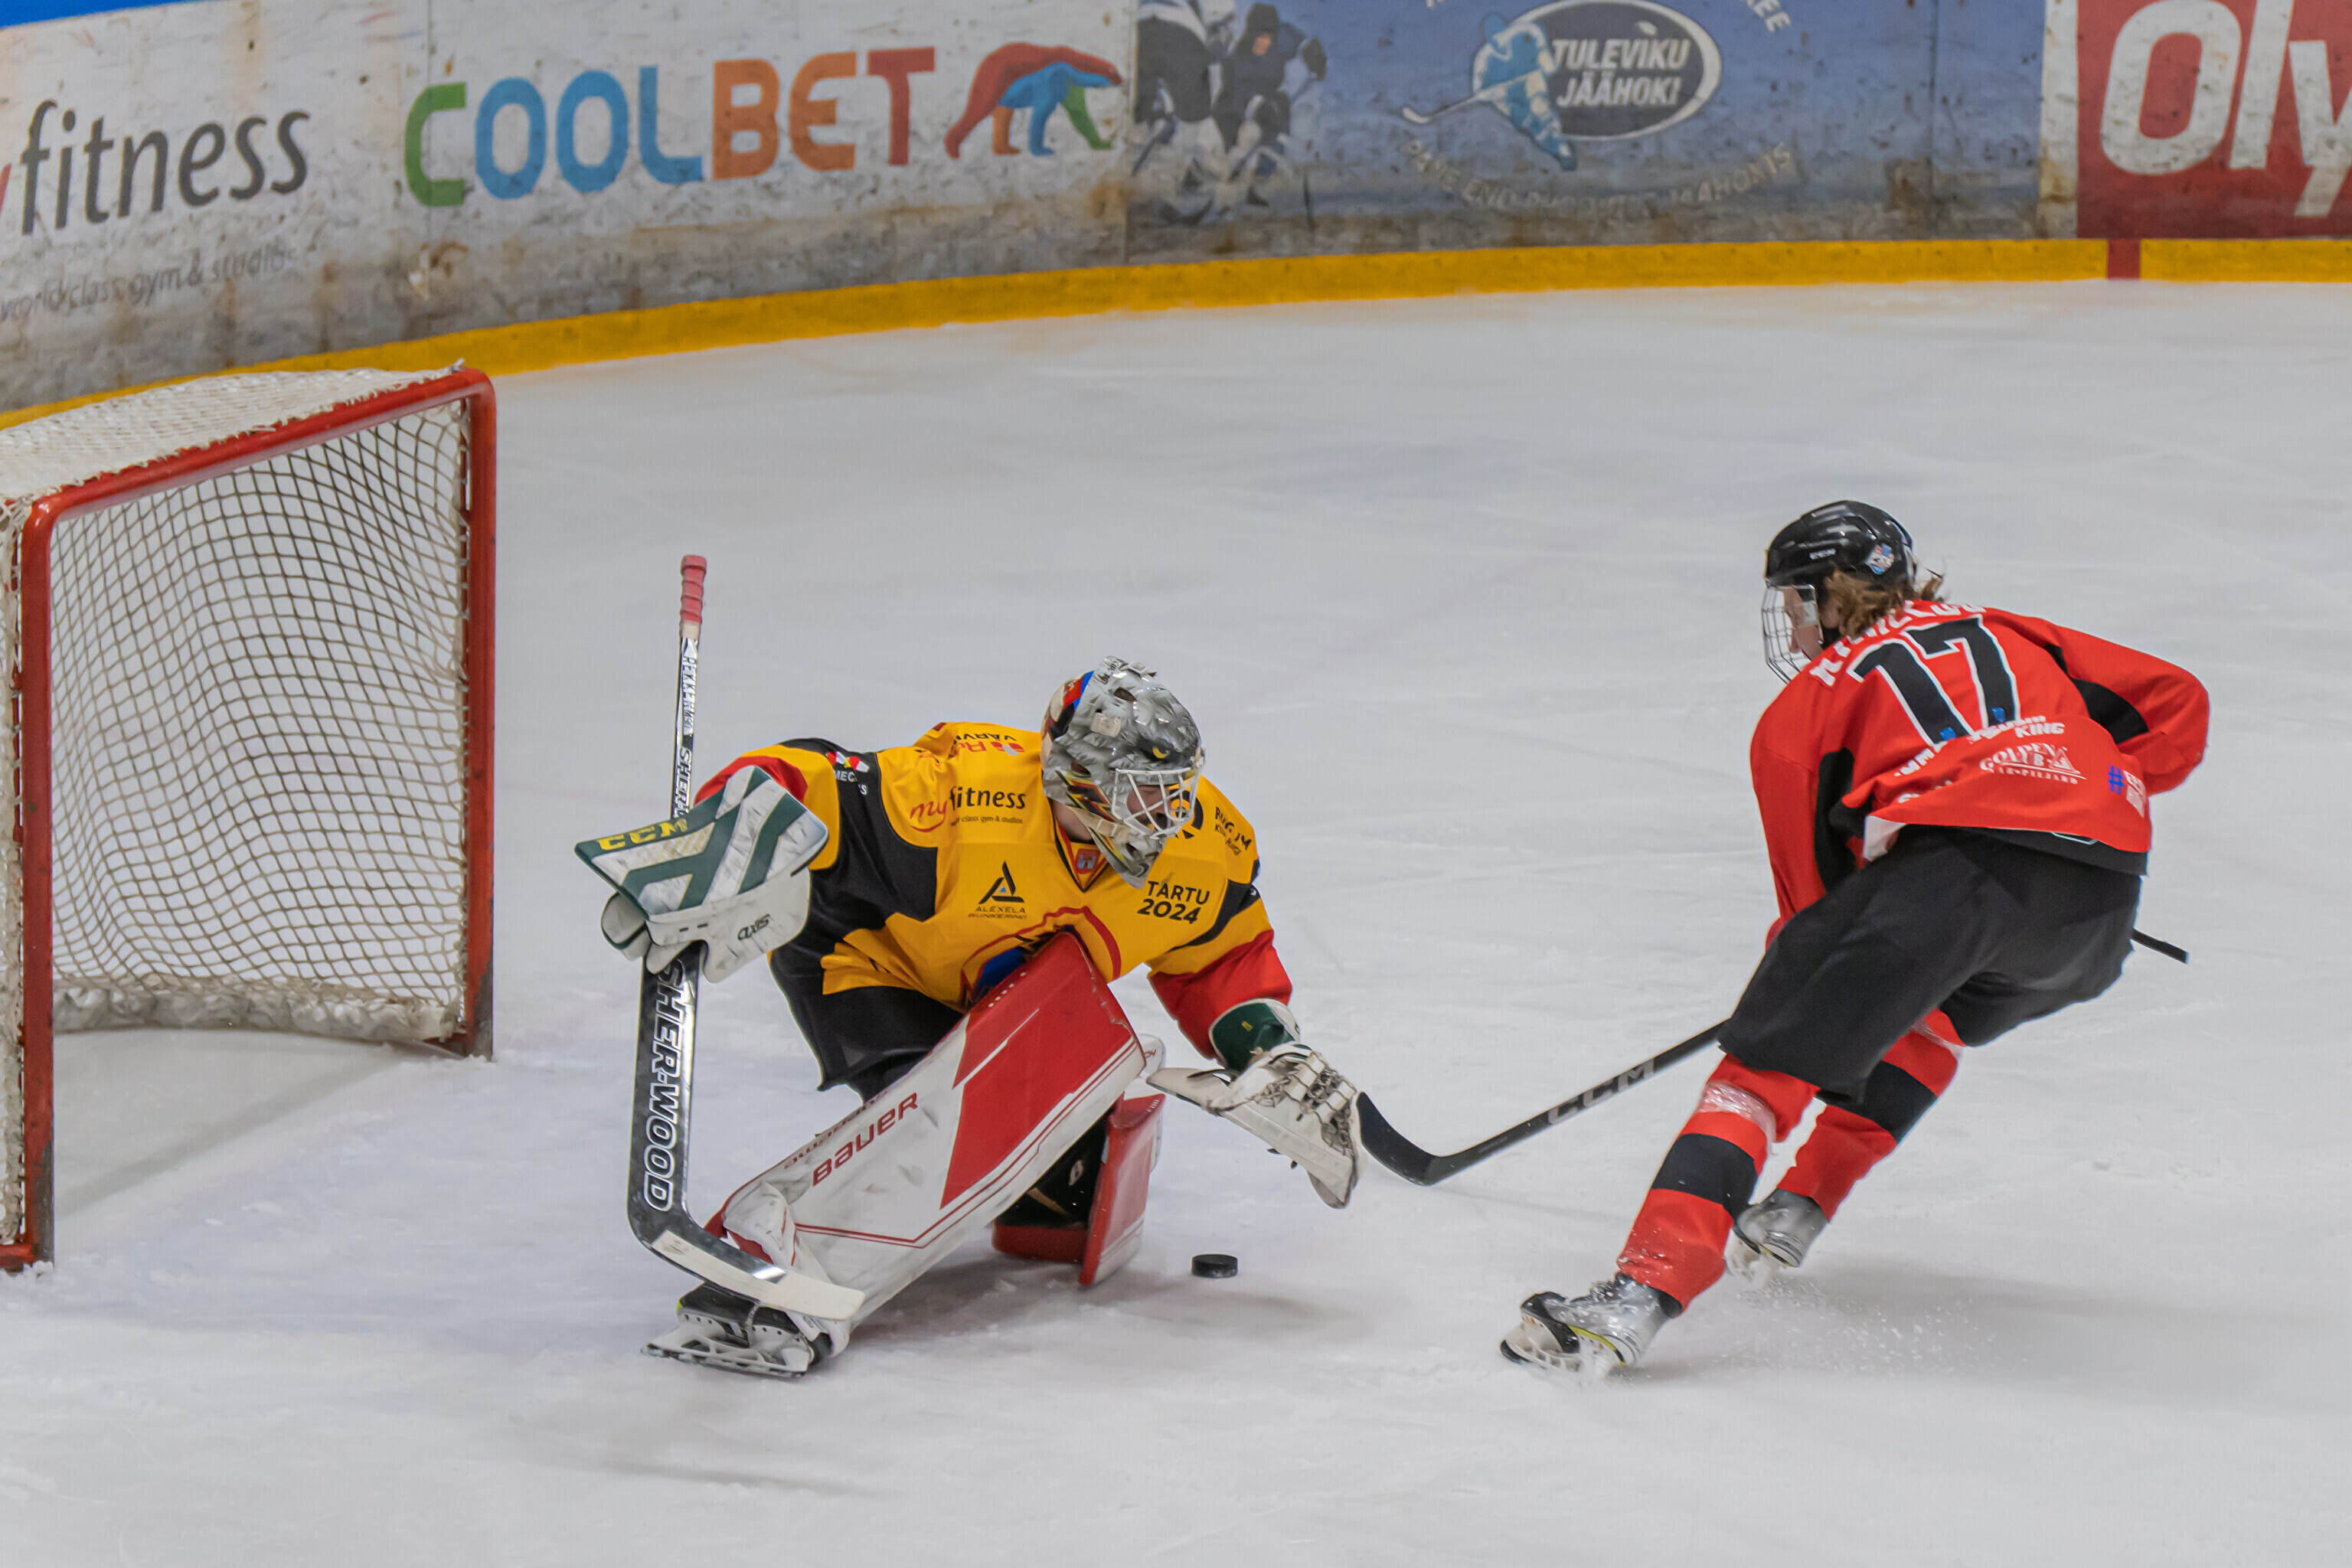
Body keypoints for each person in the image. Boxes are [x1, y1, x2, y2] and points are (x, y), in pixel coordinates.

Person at [1503, 502, 2210, 1374]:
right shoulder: (2008, 631)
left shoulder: (1807, 708)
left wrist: (1795, 1005)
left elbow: (1812, 905)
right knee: (1930, 1020)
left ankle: (1636, 1296)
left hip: (1954, 880)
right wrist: (2079, 792)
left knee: (1768, 1068)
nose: (1793, 626)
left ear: (1828, 598)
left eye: (1795, 604)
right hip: (2100, 908)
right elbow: (2176, 701)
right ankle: (1798, 1207)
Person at [583, 658, 1364, 1376]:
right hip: (869, 959)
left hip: (1002, 998)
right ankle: (772, 1253)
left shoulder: (1204, 846)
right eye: (1142, 793)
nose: (1168, 816)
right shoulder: (962, 799)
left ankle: (1008, 1185)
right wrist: (720, 847)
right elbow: (811, 776)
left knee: (1065, 1180)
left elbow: (1221, 954)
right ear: (1079, 779)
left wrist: (1269, 1049)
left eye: (1176, 790)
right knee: (953, 1126)